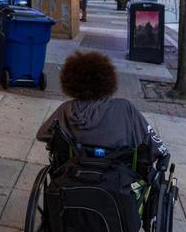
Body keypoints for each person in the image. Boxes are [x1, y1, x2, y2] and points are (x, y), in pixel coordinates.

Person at [37, 50, 168, 164]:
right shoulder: (124, 107)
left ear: (70, 82)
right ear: (108, 80)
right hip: (118, 176)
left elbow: (43, 134)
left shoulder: (66, 109)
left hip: (75, 172)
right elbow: (152, 144)